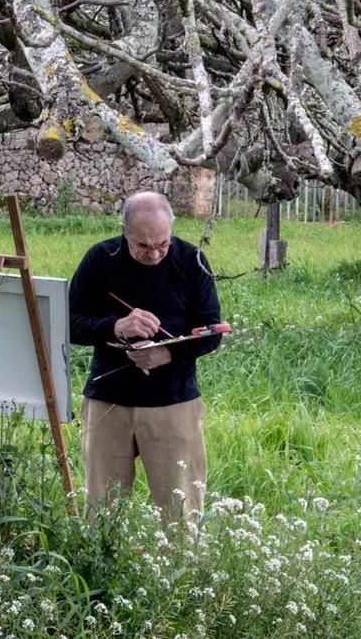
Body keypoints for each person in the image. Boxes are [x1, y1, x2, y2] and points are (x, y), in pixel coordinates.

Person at [69, 191, 222, 523]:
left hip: (173, 401)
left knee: (180, 514)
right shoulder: (100, 258)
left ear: (172, 230)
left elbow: (213, 331)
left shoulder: (190, 260)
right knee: (101, 512)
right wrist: (117, 326)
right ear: (123, 230)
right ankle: (104, 572)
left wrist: (167, 354)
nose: (154, 253)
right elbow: (67, 323)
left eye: (162, 244)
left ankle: (181, 575)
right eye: (143, 245)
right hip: (109, 399)